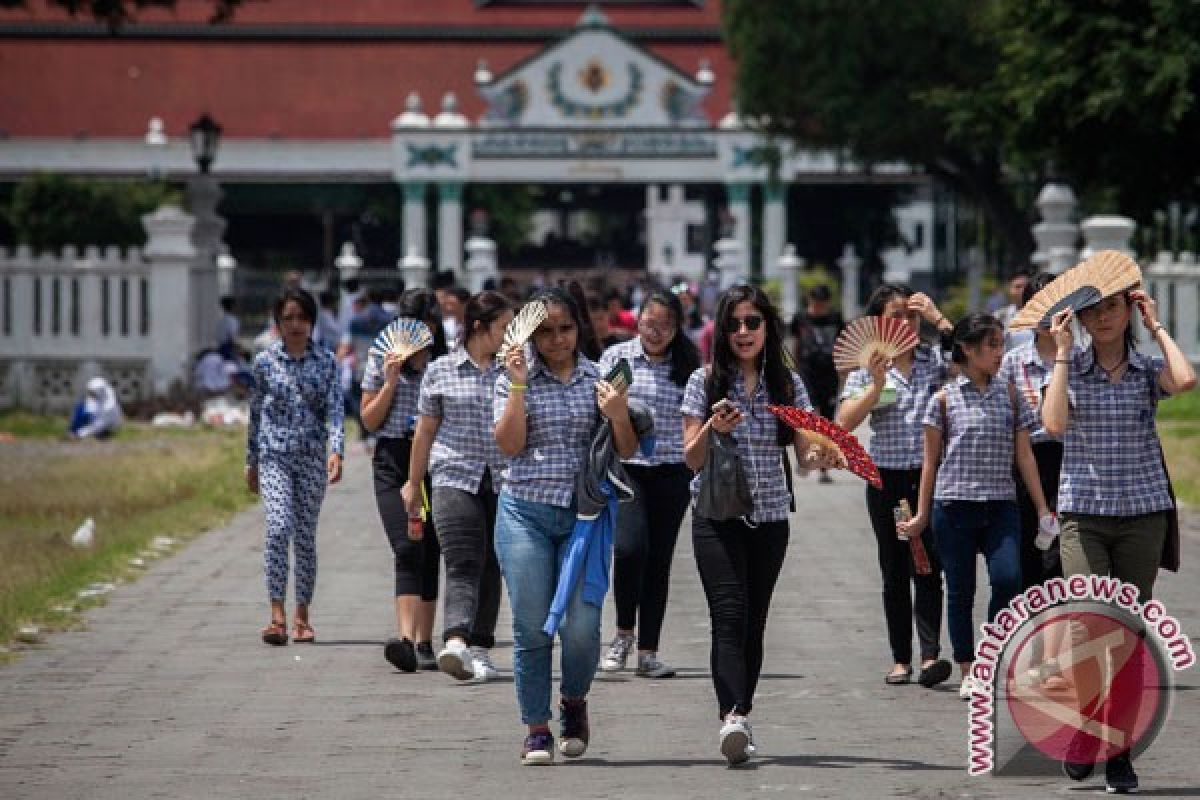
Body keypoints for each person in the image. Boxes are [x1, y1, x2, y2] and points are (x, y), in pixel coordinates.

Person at [680, 284, 840, 765]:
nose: (743, 332)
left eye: (752, 322)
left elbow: (807, 455)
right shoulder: (704, 381)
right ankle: (731, 716)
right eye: (733, 324)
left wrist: (821, 451)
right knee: (728, 615)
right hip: (715, 516)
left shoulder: (787, 385)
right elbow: (690, 458)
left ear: (768, 327)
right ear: (721, 331)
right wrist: (713, 429)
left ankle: (742, 712)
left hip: (770, 516)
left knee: (754, 621)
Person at [1043, 291, 1195, 793]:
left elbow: (1186, 380)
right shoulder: (1071, 367)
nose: (1102, 318)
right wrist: (1062, 350)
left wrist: (1158, 327)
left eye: (1111, 308)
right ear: (1079, 319)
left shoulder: (1147, 370)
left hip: (1141, 516)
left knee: (1128, 637)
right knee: (1090, 628)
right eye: (1092, 311)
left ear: (1127, 311)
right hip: (1085, 517)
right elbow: (1054, 423)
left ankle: (1121, 755)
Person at [493, 287, 638, 765]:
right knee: (532, 626)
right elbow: (510, 446)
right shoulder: (514, 375)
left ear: (580, 329)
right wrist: (516, 384)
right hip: (524, 512)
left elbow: (628, 448)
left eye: (566, 329)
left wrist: (618, 414)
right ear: (530, 335)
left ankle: (573, 700)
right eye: (546, 331)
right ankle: (536, 727)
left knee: (582, 627)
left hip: (586, 519)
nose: (557, 340)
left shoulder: (600, 379)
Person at [899, 313, 1051, 699]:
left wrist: (1043, 508)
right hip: (953, 507)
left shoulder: (1012, 396)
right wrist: (920, 515)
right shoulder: (943, 400)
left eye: (1002, 344)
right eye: (992, 345)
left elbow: (1026, 457)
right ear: (967, 349)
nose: (1001, 353)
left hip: (1002, 505)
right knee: (961, 590)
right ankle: (970, 668)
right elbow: (930, 462)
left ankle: (991, 655)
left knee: (1007, 579)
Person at [835, 283, 954, 688]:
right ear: (879, 323)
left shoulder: (935, 361)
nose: (905, 323)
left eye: (912, 315)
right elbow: (844, 423)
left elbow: (972, 360)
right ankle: (900, 657)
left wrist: (939, 320)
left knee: (929, 565)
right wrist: (874, 383)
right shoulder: (867, 366)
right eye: (896, 315)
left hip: (928, 477)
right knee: (893, 567)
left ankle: (931, 654)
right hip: (885, 478)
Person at [402, 290, 514, 683]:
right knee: (463, 559)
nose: (510, 334)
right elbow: (424, 432)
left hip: (504, 480)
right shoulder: (441, 370)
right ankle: (455, 641)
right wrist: (413, 483)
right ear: (480, 327)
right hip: (453, 475)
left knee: (493, 563)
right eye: (505, 326)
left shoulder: (514, 371)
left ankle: (480, 648)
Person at [597, 289, 701, 679]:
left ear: (677, 328)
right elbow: (600, 406)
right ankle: (623, 634)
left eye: (665, 326)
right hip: (629, 467)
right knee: (628, 550)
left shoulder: (691, 366)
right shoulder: (616, 358)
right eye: (649, 324)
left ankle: (648, 649)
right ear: (636, 320)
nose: (655, 333)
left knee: (659, 559)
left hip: (674, 471)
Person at [245, 288, 344, 646]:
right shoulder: (265, 363)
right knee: (277, 526)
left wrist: (338, 450)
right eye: (287, 318)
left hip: (311, 458)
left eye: (301, 317)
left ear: (312, 321)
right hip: (274, 455)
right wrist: (250, 460)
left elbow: (335, 409)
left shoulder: (327, 362)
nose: (295, 325)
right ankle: (276, 615)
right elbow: (255, 413)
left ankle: (302, 615)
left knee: (304, 536)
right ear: (277, 323)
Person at [360, 288, 448, 673]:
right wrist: (390, 381)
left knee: (431, 548)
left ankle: (426, 641)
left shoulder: (444, 363)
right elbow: (369, 420)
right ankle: (406, 640)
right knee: (407, 544)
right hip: (393, 459)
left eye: (424, 326)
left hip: (435, 458)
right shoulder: (380, 358)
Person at [997, 273, 1069, 593]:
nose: (1046, 315)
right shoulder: (1013, 363)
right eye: (1037, 307)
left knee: (1061, 559)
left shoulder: (1081, 360)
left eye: (1054, 306)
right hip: (1026, 464)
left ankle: (1060, 635)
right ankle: (1030, 635)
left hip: (1072, 463)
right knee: (1028, 554)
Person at [791, 285, 845, 483]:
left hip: (829, 374)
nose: (819, 308)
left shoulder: (835, 319)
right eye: (816, 304)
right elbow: (796, 344)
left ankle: (823, 466)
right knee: (811, 416)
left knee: (828, 420)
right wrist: (794, 370)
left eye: (822, 304)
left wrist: (844, 370)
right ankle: (807, 454)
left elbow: (842, 344)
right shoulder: (800, 318)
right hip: (808, 373)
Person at [215, 296, 239, 360]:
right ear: (232, 306)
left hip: (220, 347)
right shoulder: (232, 320)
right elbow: (232, 336)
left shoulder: (221, 321)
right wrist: (236, 349)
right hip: (228, 348)